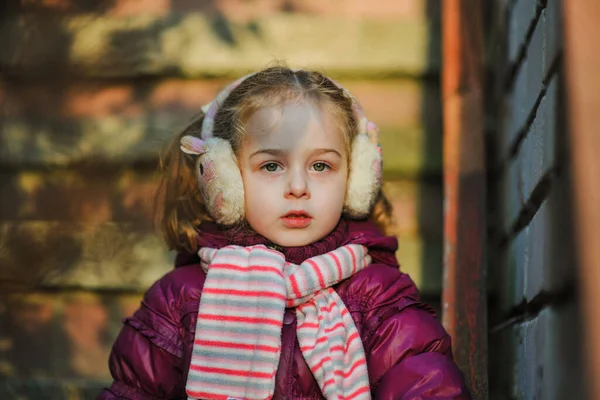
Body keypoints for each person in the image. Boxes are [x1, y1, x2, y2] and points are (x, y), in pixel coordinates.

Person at [98, 67, 471, 400]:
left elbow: (425, 384)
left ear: (356, 179)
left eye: (321, 165)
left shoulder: (379, 296)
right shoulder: (180, 299)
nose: (297, 186)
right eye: (272, 165)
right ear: (224, 178)